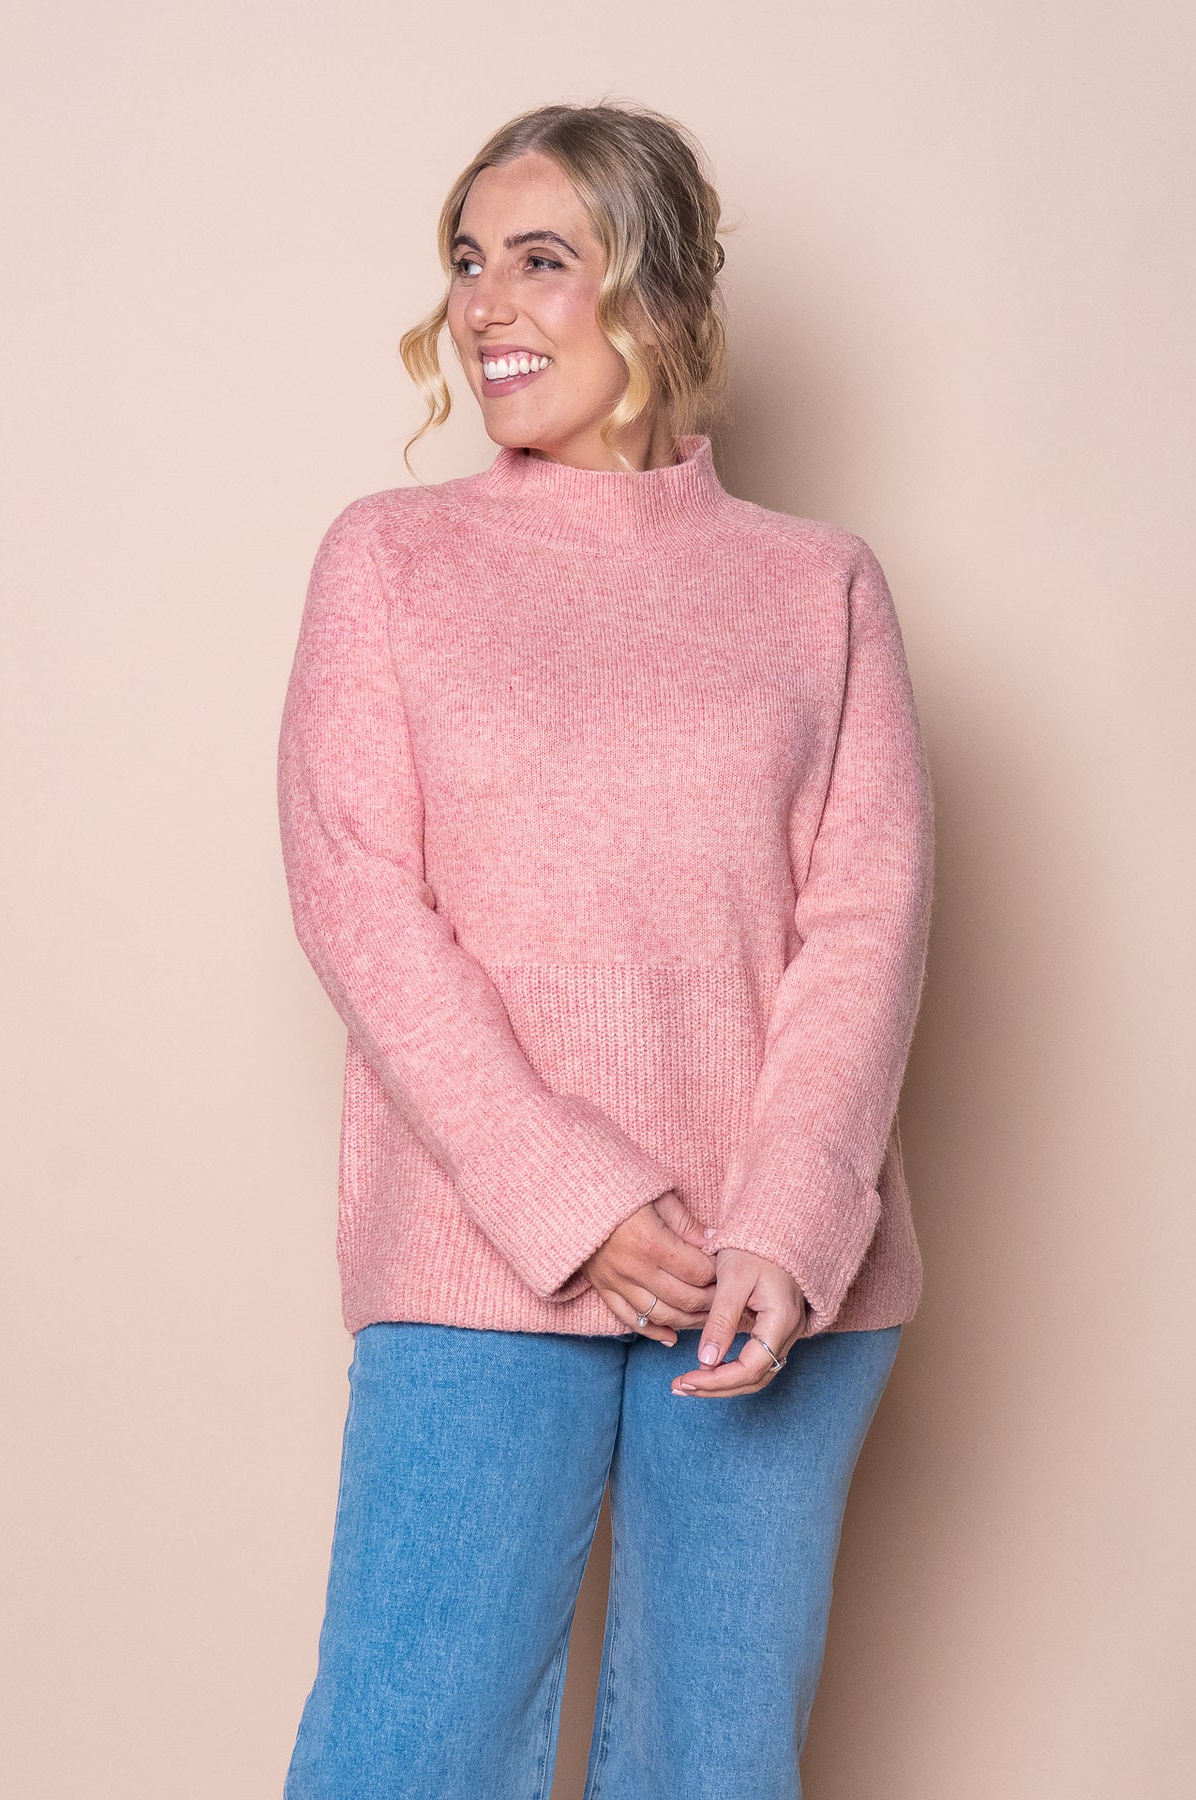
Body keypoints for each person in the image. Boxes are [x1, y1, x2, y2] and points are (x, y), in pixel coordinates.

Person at [277, 98, 934, 1800]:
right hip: (479, 1254)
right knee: (402, 1754)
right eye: (467, 262)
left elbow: (865, 924)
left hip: (768, 1285)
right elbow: (359, 898)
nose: (485, 305)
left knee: (715, 1768)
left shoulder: (819, 587)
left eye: (541, 261)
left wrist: (788, 1221)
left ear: (655, 294)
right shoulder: (392, 562)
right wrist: (573, 1198)